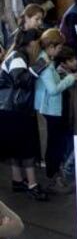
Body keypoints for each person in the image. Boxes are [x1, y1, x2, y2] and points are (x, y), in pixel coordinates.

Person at [0, 30, 47, 200]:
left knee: (15, 148)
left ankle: (17, 180)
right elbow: (21, 80)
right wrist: (40, 65)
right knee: (26, 148)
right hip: (15, 110)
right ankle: (32, 185)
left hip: (9, 109)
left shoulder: (15, 55)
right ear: (32, 43)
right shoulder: (18, 57)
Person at [33, 30, 77, 192]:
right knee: (55, 144)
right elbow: (53, 89)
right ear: (51, 46)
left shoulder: (46, 59)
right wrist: (70, 78)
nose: (60, 51)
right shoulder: (45, 65)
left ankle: (53, 175)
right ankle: (53, 178)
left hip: (52, 108)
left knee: (55, 142)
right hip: (51, 108)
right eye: (59, 48)